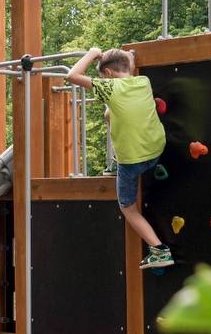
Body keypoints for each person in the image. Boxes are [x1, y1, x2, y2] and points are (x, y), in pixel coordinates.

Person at [67, 47, 172, 269]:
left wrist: (92, 53)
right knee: (109, 113)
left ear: (108, 73)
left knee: (127, 208)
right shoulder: (143, 81)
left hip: (132, 161)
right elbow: (128, 63)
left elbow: (72, 76)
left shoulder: (109, 87)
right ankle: (116, 160)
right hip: (157, 149)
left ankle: (159, 250)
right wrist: (129, 56)